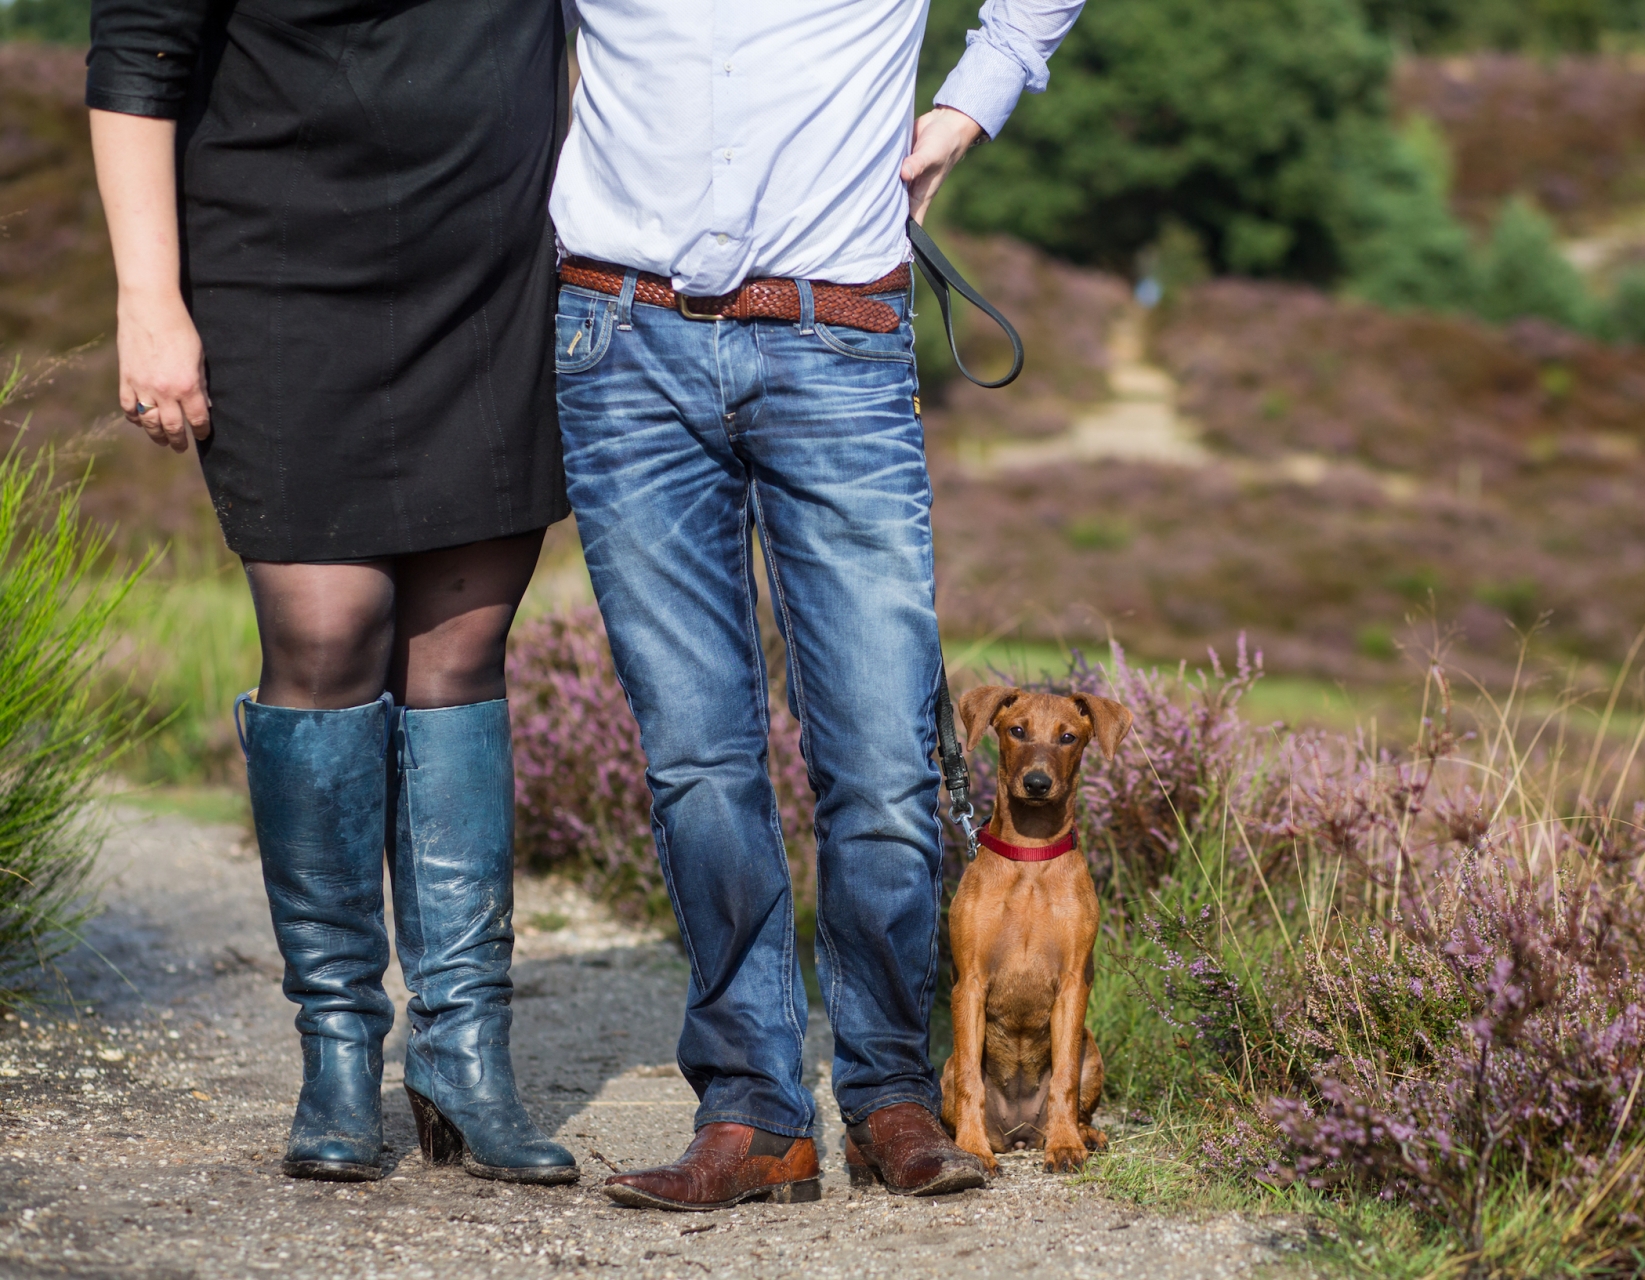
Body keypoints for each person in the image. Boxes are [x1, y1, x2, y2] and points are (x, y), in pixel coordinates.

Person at [552, 0, 1085, 1210]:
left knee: (886, 758)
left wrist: (975, 97)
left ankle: (893, 1088)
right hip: (617, 330)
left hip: (833, 334)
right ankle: (753, 1109)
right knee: (695, 758)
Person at [87, 0, 578, 1184]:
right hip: (276, 270)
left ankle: (465, 1049)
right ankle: (340, 1051)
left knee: (460, 653)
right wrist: (147, 301)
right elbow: (137, 56)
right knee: (326, 630)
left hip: (492, 272)